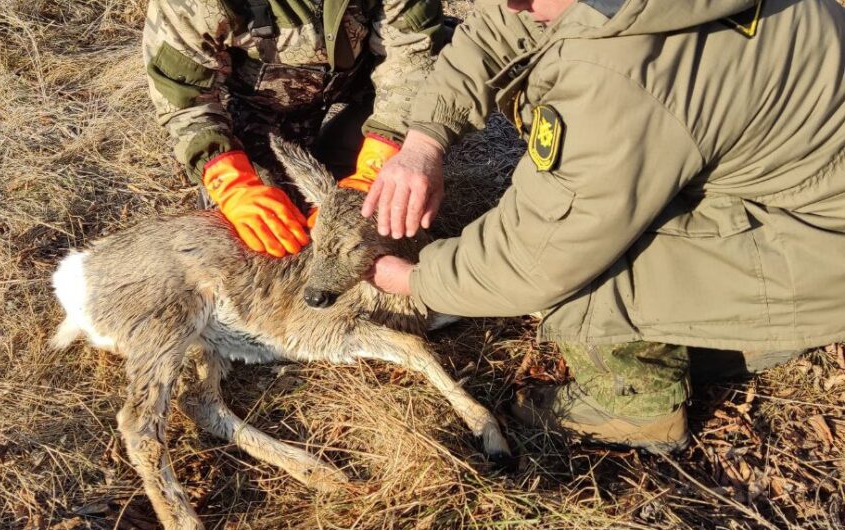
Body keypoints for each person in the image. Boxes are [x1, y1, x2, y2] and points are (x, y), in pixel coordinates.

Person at [366, 0, 845, 453]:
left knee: (585, 262)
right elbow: (494, 28)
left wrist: (417, 280)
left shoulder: (618, 73)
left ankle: (638, 405)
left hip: (817, 245)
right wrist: (424, 141)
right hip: (806, 192)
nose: (511, 3)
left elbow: (537, 256)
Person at [142, 0, 447, 257]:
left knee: (451, 68)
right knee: (272, 237)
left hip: (369, 80)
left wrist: (378, 162)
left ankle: (348, 156)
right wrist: (233, 184)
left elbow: (412, 59)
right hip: (265, 104)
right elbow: (184, 99)